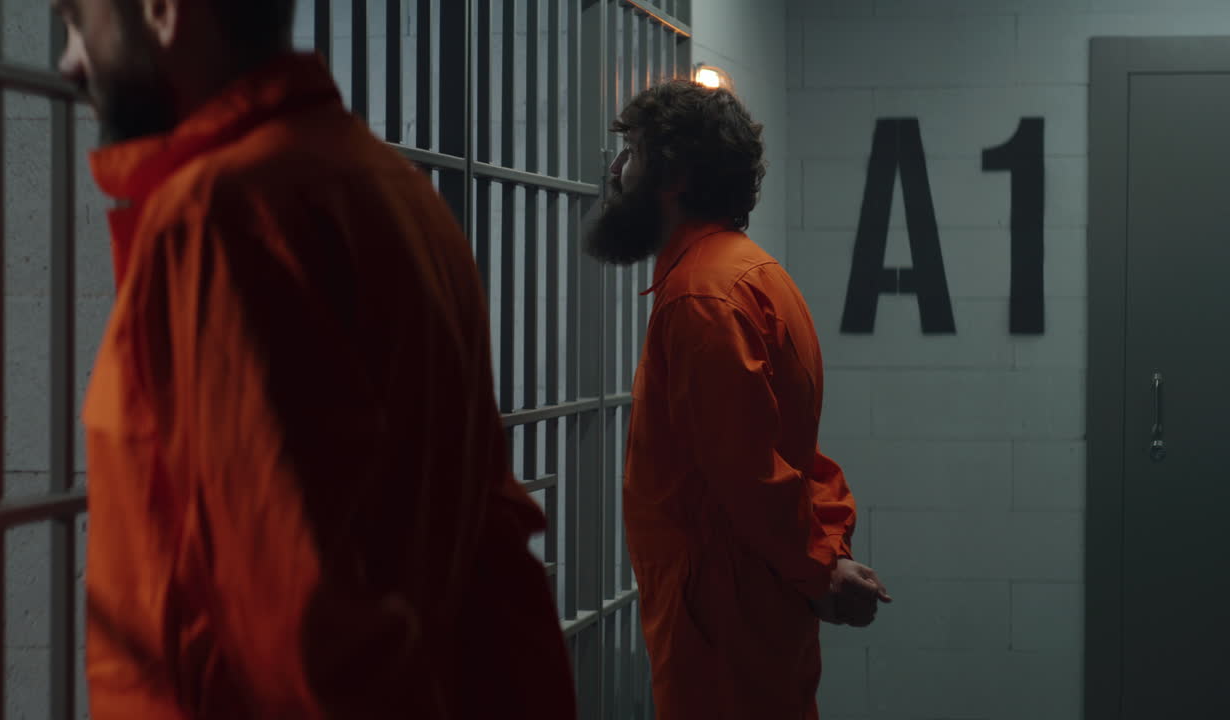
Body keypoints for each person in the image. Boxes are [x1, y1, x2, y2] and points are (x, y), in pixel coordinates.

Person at [53, 0, 576, 717]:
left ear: (160, 12)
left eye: (78, 21)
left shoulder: (219, 218)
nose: (70, 60)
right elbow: (498, 562)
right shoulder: (400, 196)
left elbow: (296, 630)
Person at [588, 80, 892, 720]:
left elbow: (747, 471)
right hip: (742, 604)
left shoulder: (702, 297)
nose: (617, 170)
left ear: (676, 174)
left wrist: (817, 570)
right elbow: (792, 456)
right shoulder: (751, 273)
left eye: (633, 152)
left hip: (719, 611)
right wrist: (822, 558)